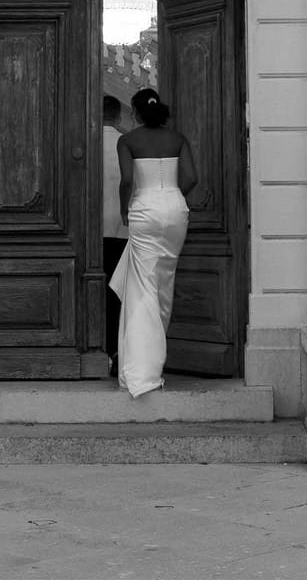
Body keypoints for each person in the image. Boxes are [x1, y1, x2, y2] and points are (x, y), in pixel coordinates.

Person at [109, 87, 197, 398]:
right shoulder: (178, 139)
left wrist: (125, 208)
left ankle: (142, 370)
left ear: (135, 113)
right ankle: (152, 363)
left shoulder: (127, 141)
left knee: (142, 288)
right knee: (163, 284)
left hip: (144, 210)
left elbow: (127, 180)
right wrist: (172, 198)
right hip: (175, 210)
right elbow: (191, 178)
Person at [101, 94, 127, 376]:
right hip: (123, 229)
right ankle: (118, 348)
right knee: (119, 292)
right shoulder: (126, 143)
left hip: (92, 230)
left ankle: (98, 348)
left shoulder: (84, 142)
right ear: (119, 117)